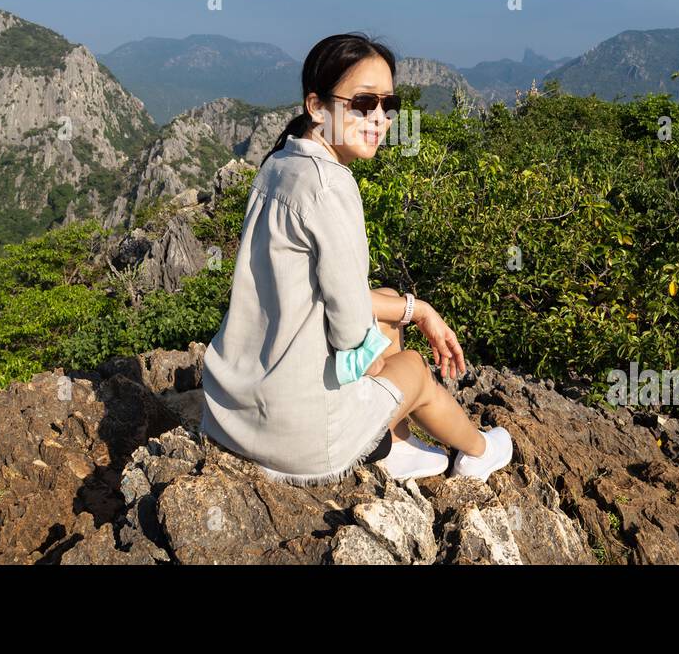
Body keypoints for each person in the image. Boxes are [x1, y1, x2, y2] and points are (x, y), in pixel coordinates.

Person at [198, 32, 514, 485]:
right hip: (297, 438)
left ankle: (396, 448)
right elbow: (350, 332)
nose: (380, 118)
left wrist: (415, 309)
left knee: (385, 303)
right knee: (415, 371)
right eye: (364, 103)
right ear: (316, 106)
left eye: (389, 104)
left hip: (234, 415)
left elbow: (340, 292)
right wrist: (382, 369)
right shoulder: (330, 186)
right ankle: (480, 452)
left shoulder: (279, 165)